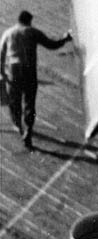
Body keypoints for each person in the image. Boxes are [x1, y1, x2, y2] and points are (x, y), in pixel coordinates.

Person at [1, 10, 73, 151]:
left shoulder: (8, 33)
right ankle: (29, 129)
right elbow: (52, 45)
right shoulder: (33, 32)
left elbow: (1, 54)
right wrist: (66, 38)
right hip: (29, 70)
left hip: (13, 70)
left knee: (14, 102)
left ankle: (19, 126)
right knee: (30, 103)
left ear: (18, 20)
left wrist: (2, 73)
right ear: (29, 21)